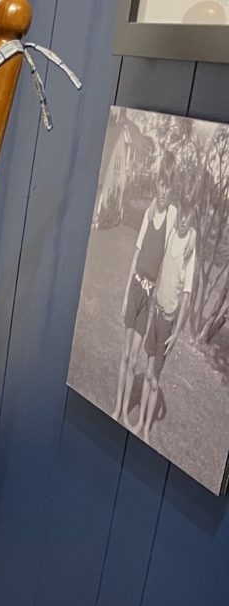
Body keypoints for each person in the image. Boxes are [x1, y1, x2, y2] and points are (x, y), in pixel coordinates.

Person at [112, 155, 173, 428]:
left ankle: (126, 411)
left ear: (172, 188)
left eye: (168, 186)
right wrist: (126, 295)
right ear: (157, 184)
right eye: (161, 184)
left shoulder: (172, 218)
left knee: (135, 357)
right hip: (135, 288)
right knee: (125, 355)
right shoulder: (150, 213)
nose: (163, 190)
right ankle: (116, 408)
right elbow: (136, 254)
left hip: (149, 297)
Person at [136, 175, 198, 443]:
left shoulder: (190, 248)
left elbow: (186, 296)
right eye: (182, 214)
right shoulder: (172, 231)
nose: (183, 220)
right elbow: (159, 206)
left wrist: (177, 332)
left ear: (193, 216)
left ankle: (147, 430)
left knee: (153, 378)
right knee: (146, 368)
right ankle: (139, 422)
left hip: (168, 322)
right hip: (155, 312)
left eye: (188, 217)